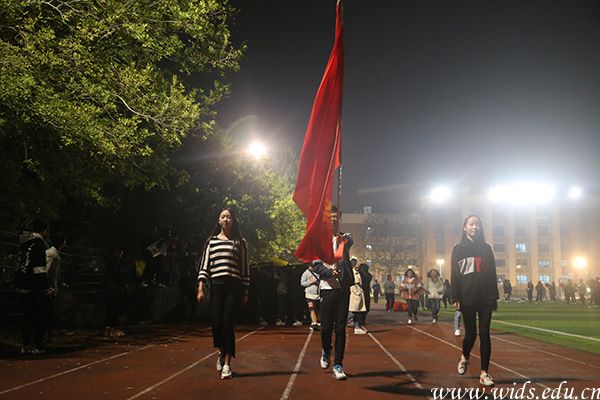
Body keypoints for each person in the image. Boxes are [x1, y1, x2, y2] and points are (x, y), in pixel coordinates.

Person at [197, 207, 250, 380]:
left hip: (234, 287)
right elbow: (205, 265)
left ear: (233, 221)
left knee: (228, 324)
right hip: (217, 286)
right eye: (223, 217)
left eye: (229, 217)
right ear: (219, 220)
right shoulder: (211, 242)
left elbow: (244, 269)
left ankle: (227, 364)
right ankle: (221, 351)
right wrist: (200, 287)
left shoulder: (240, 242)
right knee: (217, 324)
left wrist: (245, 291)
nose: (226, 219)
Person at [452, 214, 499, 387]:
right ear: (465, 227)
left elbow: (492, 274)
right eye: (471, 224)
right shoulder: (458, 249)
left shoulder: (486, 248)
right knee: (471, 334)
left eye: (477, 224)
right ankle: (465, 356)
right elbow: (455, 275)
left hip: (486, 297)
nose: (474, 227)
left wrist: (494, 296)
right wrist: (456, 297)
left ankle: (484, 373)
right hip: (467, 297)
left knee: (485, 334)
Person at [311, 206, 354, 380]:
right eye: (330, 216)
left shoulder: (345, 239)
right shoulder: (319, 241)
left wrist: (342, 239)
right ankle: (325, 350)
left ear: (340, 219)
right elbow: (316, 265)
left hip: (343, 290)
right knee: (326, 328)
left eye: (336, 217)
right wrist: (329, 272)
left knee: (341, 328)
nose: (333, 219)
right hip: (327, 289)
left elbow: (349, 242)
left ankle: (338, 364)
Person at [15, 220, 51, 355]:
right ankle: (30, 345)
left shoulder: (24, 242)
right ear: (44, 231)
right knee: (34, 315)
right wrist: (45, 287)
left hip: (21, 282)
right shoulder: (39, 243)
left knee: (26, 316)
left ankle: (25, 345)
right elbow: (39, 268)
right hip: (32, 285)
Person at [45, 231, 66, 344]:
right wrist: (50, 287)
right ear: (62, 243)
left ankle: (45, 337)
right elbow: (47, 272)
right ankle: (45, 338)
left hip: (45, 287)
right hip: (49, 289)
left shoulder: (48, 252)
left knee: (46, 314)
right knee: (47, 314)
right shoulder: (54, 255)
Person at [349, 261, 369, 334]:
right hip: (356, 293)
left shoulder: (356, 272)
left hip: (357, 292)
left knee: (356, 311)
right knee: (355, 311)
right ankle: (355, 326)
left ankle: (357, 326)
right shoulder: (354, 272)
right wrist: (363, 288)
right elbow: (357, 282)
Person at [300, 264, 320, 332]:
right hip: (309, 294)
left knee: (318, 309)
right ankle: (314, 323)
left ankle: (318, 321)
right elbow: (302, 283)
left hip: (318, 294)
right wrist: (311, 282)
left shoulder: (318, 272)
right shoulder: (305, 273)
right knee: (312, 308)